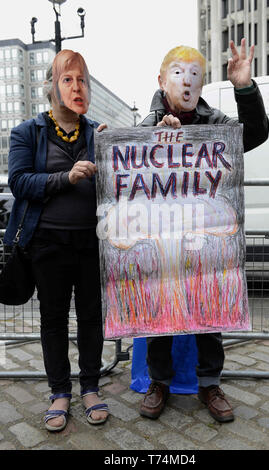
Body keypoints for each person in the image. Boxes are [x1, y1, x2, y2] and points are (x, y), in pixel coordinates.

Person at [138, 39, 269, 422]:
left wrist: (244, 87)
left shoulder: (217, 125)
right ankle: (158, 382)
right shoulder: (146, 125)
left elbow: (256, 133)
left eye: (195, 75)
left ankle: (209, 382)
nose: (187, 81)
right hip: (163, 239)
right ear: (162, 81)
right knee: (161, 307)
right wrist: (155, 139)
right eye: (178, 73)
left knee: (209, 305)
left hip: (208, 238)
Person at [4, 49, 109, 432]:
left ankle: (91, 387)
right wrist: (65, 178)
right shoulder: (27, 133)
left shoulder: (98, 134)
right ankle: (60, 392)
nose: (77, 87)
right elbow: (19, 182)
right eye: (68, 79)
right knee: (53, 321)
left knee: (91, 319)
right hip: (46, 244)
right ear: (52, 87)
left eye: (82, 80)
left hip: (90, 243)